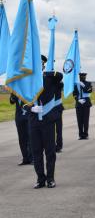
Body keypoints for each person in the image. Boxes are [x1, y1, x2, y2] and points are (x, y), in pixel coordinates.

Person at [23, 55, 62, 188]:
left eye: (40, 63)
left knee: (50, 151)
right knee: (36, 151)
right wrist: (30, 108)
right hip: (33, 120)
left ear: (44, 65)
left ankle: (50, 178)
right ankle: (40, 178)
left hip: (48, 120)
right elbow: (22, 100)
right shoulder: (27, 80)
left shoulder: (49, 78)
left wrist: (50, 72)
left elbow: (60, 78)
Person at [10, 94, 32, 165]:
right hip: (19, 116)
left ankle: (32, 158)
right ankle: (25, 158)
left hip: (29, 115)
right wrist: (12, 98)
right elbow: (11, 101)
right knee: (21, 138)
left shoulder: (28, 88)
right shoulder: (15, 89)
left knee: (30, 137)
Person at [73, 73, 92, 140]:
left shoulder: (88, 83)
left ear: (85, 77)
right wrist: (78, 100)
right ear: (79, 77)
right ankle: (81, 135)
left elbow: (89, 90)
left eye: (84, 76)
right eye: (81, 76)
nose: (83, 77)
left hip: (86, 102)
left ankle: (86, 134)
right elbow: (74, 94)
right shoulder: (76, 84)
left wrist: (83, 86)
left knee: (86, 119)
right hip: (79, 103)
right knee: (79, 120)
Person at [54, 72, 64, 152]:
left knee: (58, 129)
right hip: (49, 109)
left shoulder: (59, 84)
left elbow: (60, 76)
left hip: (57, 108)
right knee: (50, 130)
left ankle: (59, 145)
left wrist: (50, 73)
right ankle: (52, 145)